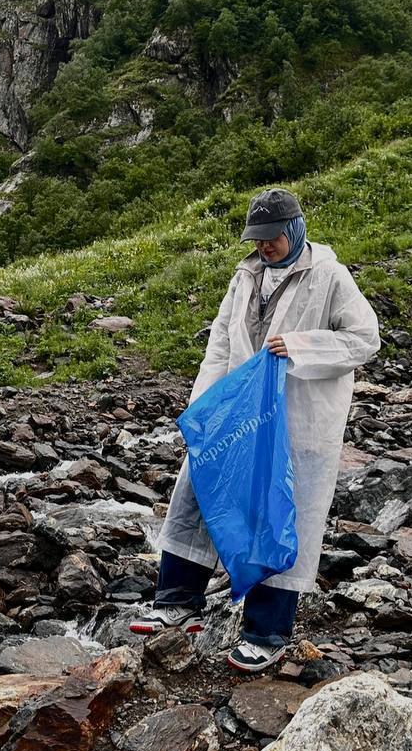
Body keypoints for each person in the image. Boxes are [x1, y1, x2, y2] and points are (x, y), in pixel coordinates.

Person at [129, 187, 380, 672]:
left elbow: (364, 337)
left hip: (296, 422)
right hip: (239, 412)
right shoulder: (245, 276)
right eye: (258, 239)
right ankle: (177, 600)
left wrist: (303, 346)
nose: (265, 247)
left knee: (280, 514)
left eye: (273, 239)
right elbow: (221, 343)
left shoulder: (329, 274)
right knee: (200, 487)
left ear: (295, 229)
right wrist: (202, 411)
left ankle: (267, 632)